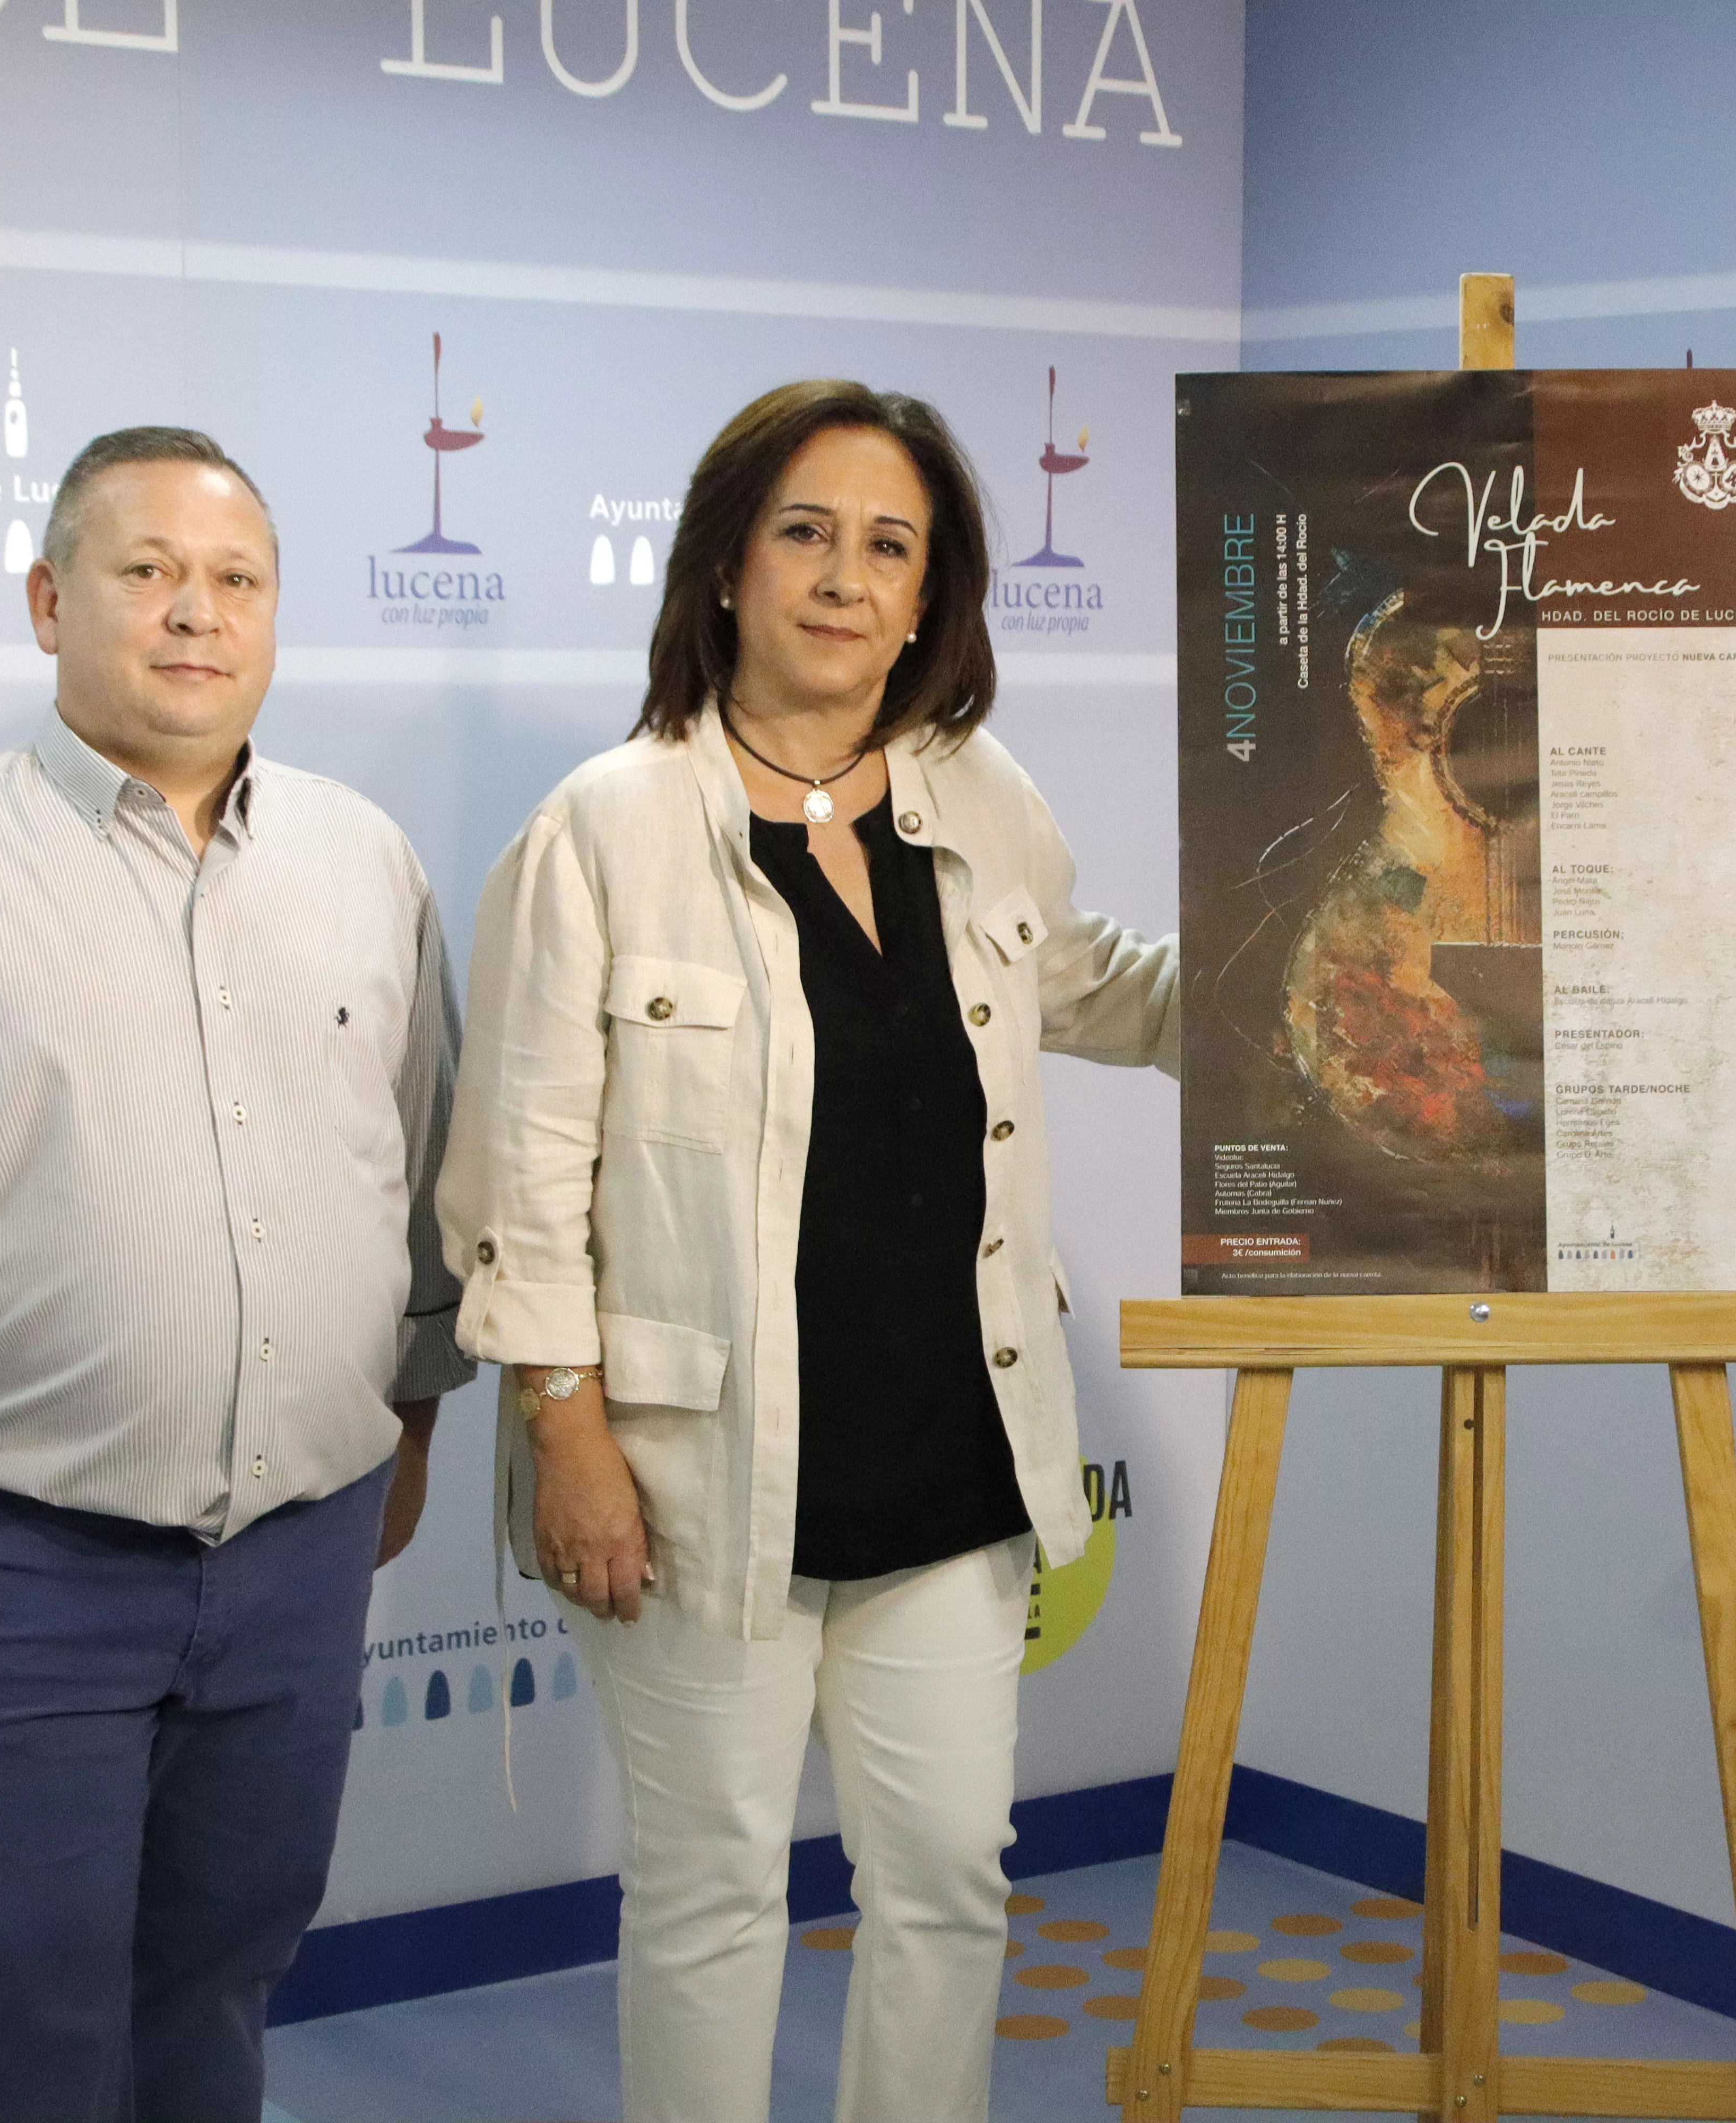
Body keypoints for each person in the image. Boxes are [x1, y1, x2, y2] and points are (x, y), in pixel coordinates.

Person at [0, 427, 473, 2122]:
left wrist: (409, 1428)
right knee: (25, 2004)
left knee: (221, 1976)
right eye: (148, 573)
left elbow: (415, 1179)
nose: (196, 614)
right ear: (52, 602)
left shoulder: (367, 861)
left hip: (300, 1550)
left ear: (275, 618)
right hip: (13, 1564)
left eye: (236, 581)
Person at [437, 378, 1176, 2123]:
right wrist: (567, 1431)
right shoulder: (604, 825)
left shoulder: (980, 794)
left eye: (890, 546)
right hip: (701, 1483)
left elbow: (1091, 985)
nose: (847, 578)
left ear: (931, 599)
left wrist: (1301, 970)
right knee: (709, 1900)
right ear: (723, 570)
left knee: (949, 1890)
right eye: (807, 533)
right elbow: (521, 1169)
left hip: (951, 1455)